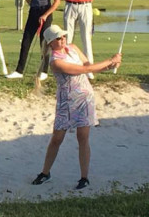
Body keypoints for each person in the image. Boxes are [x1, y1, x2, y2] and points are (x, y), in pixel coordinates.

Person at [31, 25, 121, 190]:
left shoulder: (72, 48)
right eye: (58, 38)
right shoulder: (55, 62)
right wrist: (110, 60)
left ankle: (84, 177)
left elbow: (88, 64)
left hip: (85, 99)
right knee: (57, 138)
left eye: (63, 36)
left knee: (83, 137)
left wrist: (110, 65)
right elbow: (84, 69)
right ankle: (45, 173)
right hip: (66, 102)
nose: (63, 39)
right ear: (50, 43)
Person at [7, 0, 60, 80]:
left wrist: (46, 15)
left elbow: (57, 2)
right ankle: (19, 71)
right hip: (34, 12)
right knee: (26, 40)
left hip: (46, 11)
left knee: (44, 42)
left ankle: (44, 71)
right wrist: (29, 2)